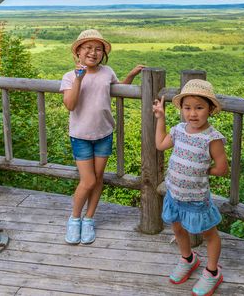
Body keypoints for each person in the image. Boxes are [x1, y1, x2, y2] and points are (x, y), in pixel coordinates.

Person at [60, 29, 144, 245]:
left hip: (104, 134)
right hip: (80, 136)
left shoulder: (107, 72)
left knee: (97, 179)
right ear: (77, 52)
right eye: (88, 48)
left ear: (103, 54)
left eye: (98, 49)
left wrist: (132, 75)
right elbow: (70, 104)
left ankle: (89, 219)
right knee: (87, 180)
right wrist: (79, 79)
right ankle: (74, 219)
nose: (93, 52)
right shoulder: (69, 76)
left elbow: (118, 89)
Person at [152, 79, 228, 296]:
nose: (192, 113)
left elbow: (222, 168)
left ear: (210, 109)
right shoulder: (178, 130)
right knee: (177, 228)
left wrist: (202, 171)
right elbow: (160, 145)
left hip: (196, 199)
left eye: (199, 107)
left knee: (209, 234)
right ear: (182, 109)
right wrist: (161, 118)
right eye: (187, 108)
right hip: (174, 194)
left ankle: (212, 271)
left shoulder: (212, 138)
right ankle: (188, 258)